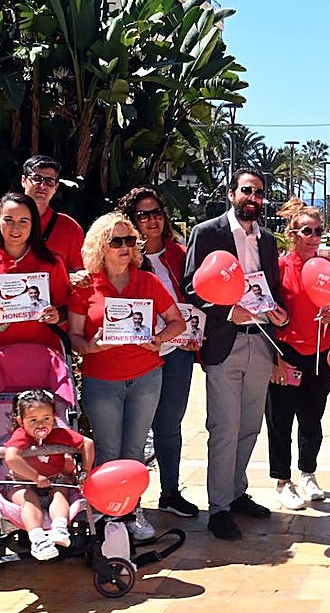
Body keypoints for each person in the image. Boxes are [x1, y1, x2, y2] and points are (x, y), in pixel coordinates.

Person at [182, 170, 289, 541]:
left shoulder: (269, 241)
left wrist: (280, 313)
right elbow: (190, 288)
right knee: (223, 429)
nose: (253, 198)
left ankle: (237, 492)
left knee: (249, 427)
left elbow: (273, 289)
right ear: (231, 194)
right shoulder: (207, 233)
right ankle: (218, 508)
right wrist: (228, 312)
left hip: (260, 342)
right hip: (224, 342)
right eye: (246, 191)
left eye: (259, 192)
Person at [68, 212, 185, 542]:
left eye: (129, 240)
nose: (124, 247)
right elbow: (74, 338)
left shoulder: (147, 281)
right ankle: (106, 515)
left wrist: (159, 340)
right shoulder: (85, 285)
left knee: (134, 451)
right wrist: (91, 347)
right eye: (115, 241)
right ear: (100, 246)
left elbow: (177, 321)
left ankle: (132, 510)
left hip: (146, 376)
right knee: (108, 450)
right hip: (101, 379)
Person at [119, 187, 202, 520]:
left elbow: (195, 298)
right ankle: (129, 501)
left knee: (170, 425)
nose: (152, 220)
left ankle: (170, 492)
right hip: (137, 354)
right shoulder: (122, 256)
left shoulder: (179, 254)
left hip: (177, 352)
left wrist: (197, 334)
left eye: (157, 212)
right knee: (135, 430)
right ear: (130, 220)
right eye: (143, 214)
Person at [265, 200, 330, 510]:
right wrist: (274, 358)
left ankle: (308, 473)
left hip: (322, 353)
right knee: (280, 421)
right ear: (293, 234)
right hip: (287, 353)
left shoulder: (327, 269)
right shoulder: (279, 267)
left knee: (313, 420)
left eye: (318, 231)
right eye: (307, 231)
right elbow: (265, 312)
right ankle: (283, 481)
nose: (314, 237)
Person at [0, 192, 69, 380]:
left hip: (43, 360)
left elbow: (69, 309)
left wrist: (57, 315)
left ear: (34, 224)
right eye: (8, 220)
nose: (15, 228)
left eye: (23, 221)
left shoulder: (51, 262)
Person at [0, 389, 95, 561]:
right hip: (24, 483)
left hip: (54, 481)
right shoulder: (20, 436)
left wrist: (85, 472)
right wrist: (35, 477)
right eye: (33, 420)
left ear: (54, 417)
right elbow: (11, 457)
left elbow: (87, 444)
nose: (41, 424)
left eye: (46, 418)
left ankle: (59, 528)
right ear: (21, 421)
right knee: (29, 499)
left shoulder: (59, 434)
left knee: (60, 493)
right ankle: (38, 540)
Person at [0, 155, 84, 272]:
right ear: (23, 181)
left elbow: (80, 272)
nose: (42, 186)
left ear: (56, 187)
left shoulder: (69, 228)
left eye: (49, 181)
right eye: (36, 178)